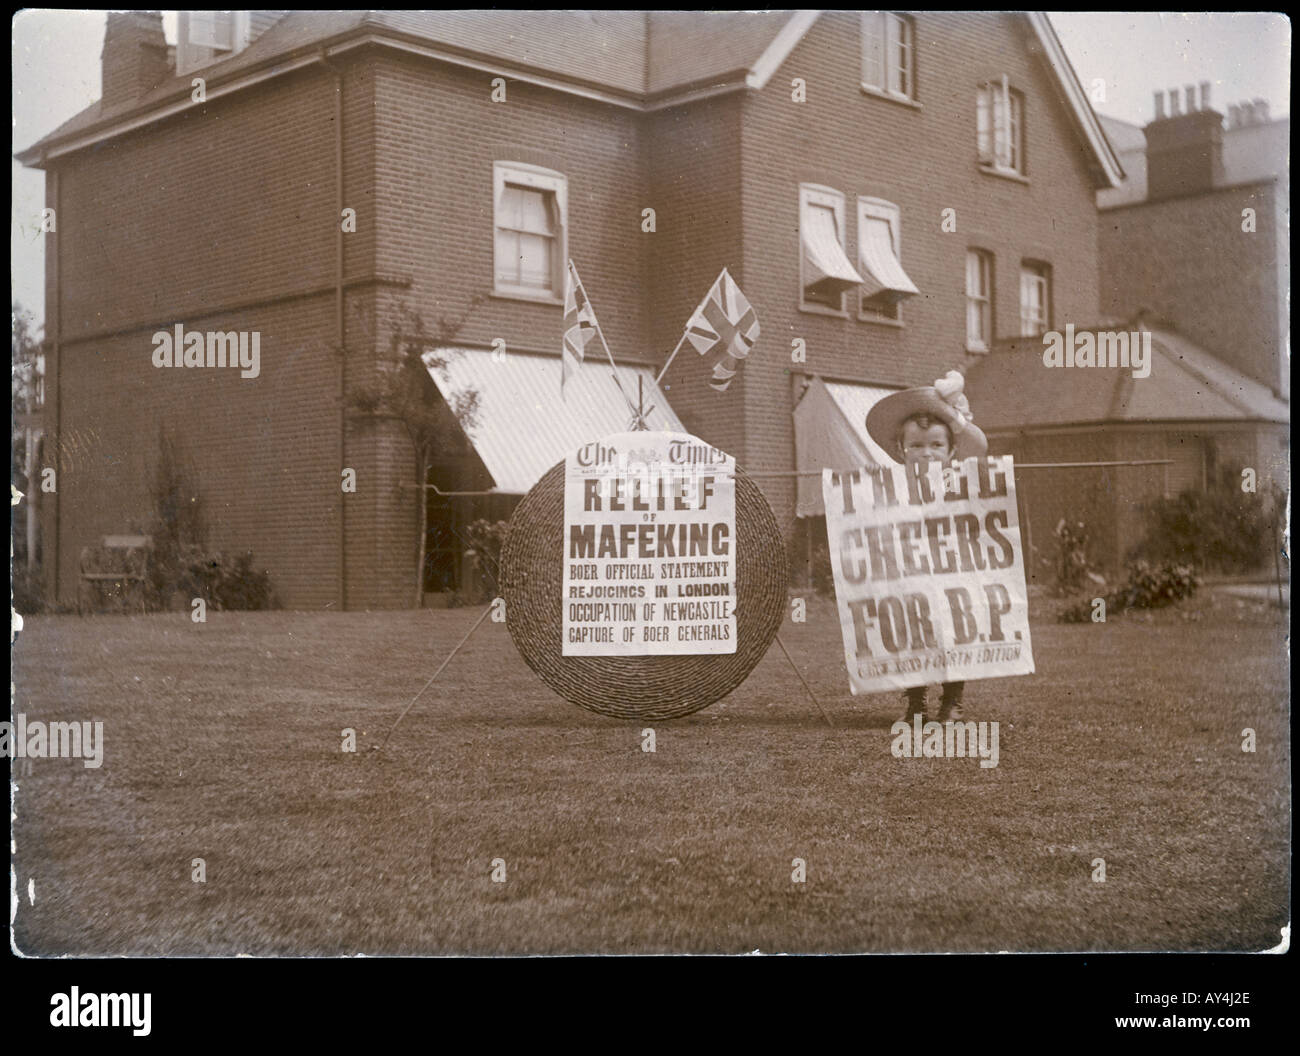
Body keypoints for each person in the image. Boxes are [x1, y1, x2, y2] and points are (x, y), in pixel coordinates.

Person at [864, 370, 989, 723]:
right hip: (910, 573)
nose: (926, 454)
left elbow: (979, 445)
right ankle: (915, 702)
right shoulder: (894, 486)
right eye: (916, 447)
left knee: (955, 630)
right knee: (912, 631)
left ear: (951, 451)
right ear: (901, 452)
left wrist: (955, 418)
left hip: (953, 570)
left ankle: (953, 700)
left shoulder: (960, 477)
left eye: (936, 446)